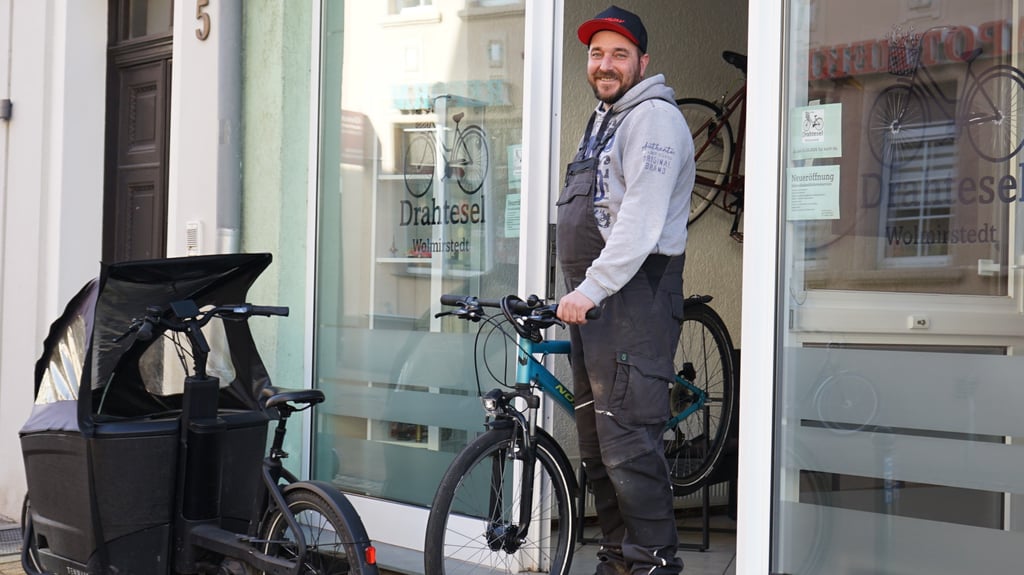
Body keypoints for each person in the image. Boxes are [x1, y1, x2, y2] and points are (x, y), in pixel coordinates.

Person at [556, 5, 693, 575]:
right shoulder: (603, 120)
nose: (605, 64)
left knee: (629, 445)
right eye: (596, 53)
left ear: (643, 61)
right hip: (596, 301)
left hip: (633, 296)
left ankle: (654, 563)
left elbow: (638, 221)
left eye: (618, 53)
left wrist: (592, 290)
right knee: (597, 447)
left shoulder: (653, 119)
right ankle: (619, 560)